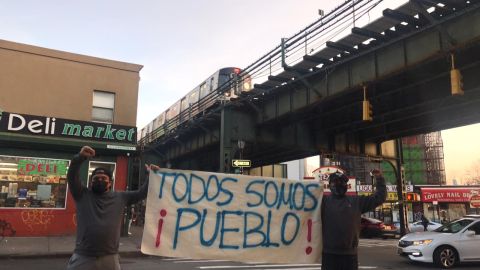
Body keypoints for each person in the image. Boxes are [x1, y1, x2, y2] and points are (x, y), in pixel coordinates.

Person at [66, 146, 159, 270]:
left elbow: (141, 193)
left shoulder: (121, 197)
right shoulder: (82, 194)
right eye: (96, 179)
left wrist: (151, 176)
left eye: (103, 179)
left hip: (110, 258)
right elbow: (72, 176)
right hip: (83, 256)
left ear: (110, 183)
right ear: (91, 182)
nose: (99, 180)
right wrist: (80, 157)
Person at [321, 169, 386, 270]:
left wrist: (379, 179)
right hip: (329, 255)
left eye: (343, 182)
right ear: (330, 185)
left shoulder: (356, 201)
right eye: (336, 182)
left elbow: (379, 198)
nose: (340, 184)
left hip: (349, 256)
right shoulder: (323, 202)